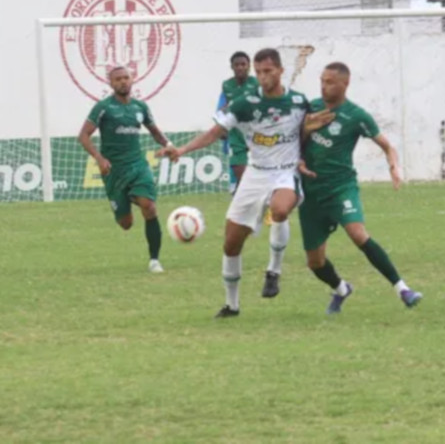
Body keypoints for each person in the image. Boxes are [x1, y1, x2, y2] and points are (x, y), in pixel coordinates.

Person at [159, 48, 333, 317]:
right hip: (255, 173)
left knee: (280, 209)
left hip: (285, 172)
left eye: (268, 71)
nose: (263, 77)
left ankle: (273, 271)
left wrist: (307, 155)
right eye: (259, 72)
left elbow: (308, 131)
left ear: (280, 71)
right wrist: (181, 150)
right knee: (231, 243)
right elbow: (215, 132)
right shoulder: (244, 103)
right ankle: (232, 305)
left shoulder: (299, 102)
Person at [298, 62, 423, 314]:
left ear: (345, 84)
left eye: (330, 81)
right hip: (311, 192)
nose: (324, 86)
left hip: (340, 187)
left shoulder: (356, 116)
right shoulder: (311, 108)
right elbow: (293, 143)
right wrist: (303, 137)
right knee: (315, 262)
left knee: (358, 234)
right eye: (322, 80)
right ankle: (342, 288)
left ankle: (403, 289)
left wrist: (393, 166)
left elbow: (386, 145)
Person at [78, 66, 171, 273]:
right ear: (111, 83)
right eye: (118, 79)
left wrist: (169, 146)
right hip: (114, 171)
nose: (123, 82)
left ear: (132, 79)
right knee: (126, 223)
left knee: (149, 206)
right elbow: (83, 136)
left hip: (138, 165)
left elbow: (154, 131)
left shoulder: (140, 107)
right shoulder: (103, 107)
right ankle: (128, 196)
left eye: (126, 78)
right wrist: (99, 158)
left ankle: (154, 260)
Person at [218, 51, 260, 193]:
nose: (240, 67)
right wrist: (221, 125)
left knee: (261, 174)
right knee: (242, 179)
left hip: (256, 132)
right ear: (232, 67)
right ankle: (241, 192)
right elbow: (225, 107)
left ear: (249, 66)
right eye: (237, 65)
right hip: (237, 134)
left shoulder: (256, 83)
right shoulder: (227, 85)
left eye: (243, 64)